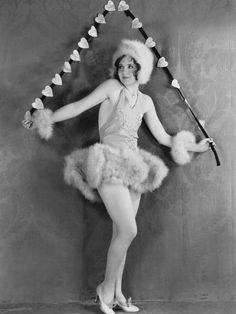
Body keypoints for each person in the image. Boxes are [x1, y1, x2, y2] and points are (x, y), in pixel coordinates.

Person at [22, 39, 212, 314]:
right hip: (108, 160)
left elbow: (163, 137)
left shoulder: (146, 102)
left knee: (120, 233)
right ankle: (105, 289)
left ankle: (119, 295)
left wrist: (195, 145)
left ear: (141, 70)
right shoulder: (112, 88)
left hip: (133, 166)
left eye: (131, 67)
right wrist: (45, 119)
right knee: (128, 229)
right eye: (121, 66)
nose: (124, 71)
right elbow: (78, 107)